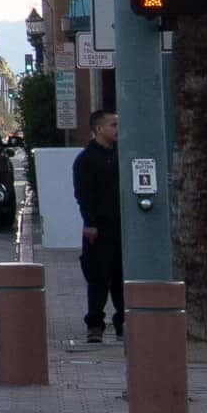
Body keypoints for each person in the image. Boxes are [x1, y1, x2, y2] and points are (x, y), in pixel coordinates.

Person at [73, 109, 124, 342]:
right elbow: (84, 194)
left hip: (121, 227)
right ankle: (95, 324)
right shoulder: (86, 159)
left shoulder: (121, 155)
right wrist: (90, 223)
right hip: (99, 228)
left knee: (120, 277)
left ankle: (123, 321)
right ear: (99, 129)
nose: (117, 129)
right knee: (98, 278)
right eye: (113, 125)